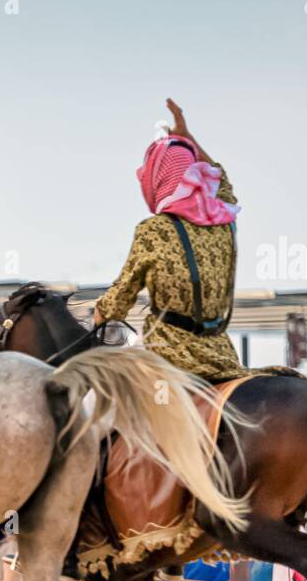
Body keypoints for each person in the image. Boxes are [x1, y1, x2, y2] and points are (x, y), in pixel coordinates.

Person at [92, 99, 245, 383]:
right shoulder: (224, 219)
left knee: (105, 402)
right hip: (222, 356)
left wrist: (100, 313)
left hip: (169, 356)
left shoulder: (154, 230)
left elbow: (121, 296)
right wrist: (188, 139)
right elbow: (222, 180)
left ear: (156, 181)